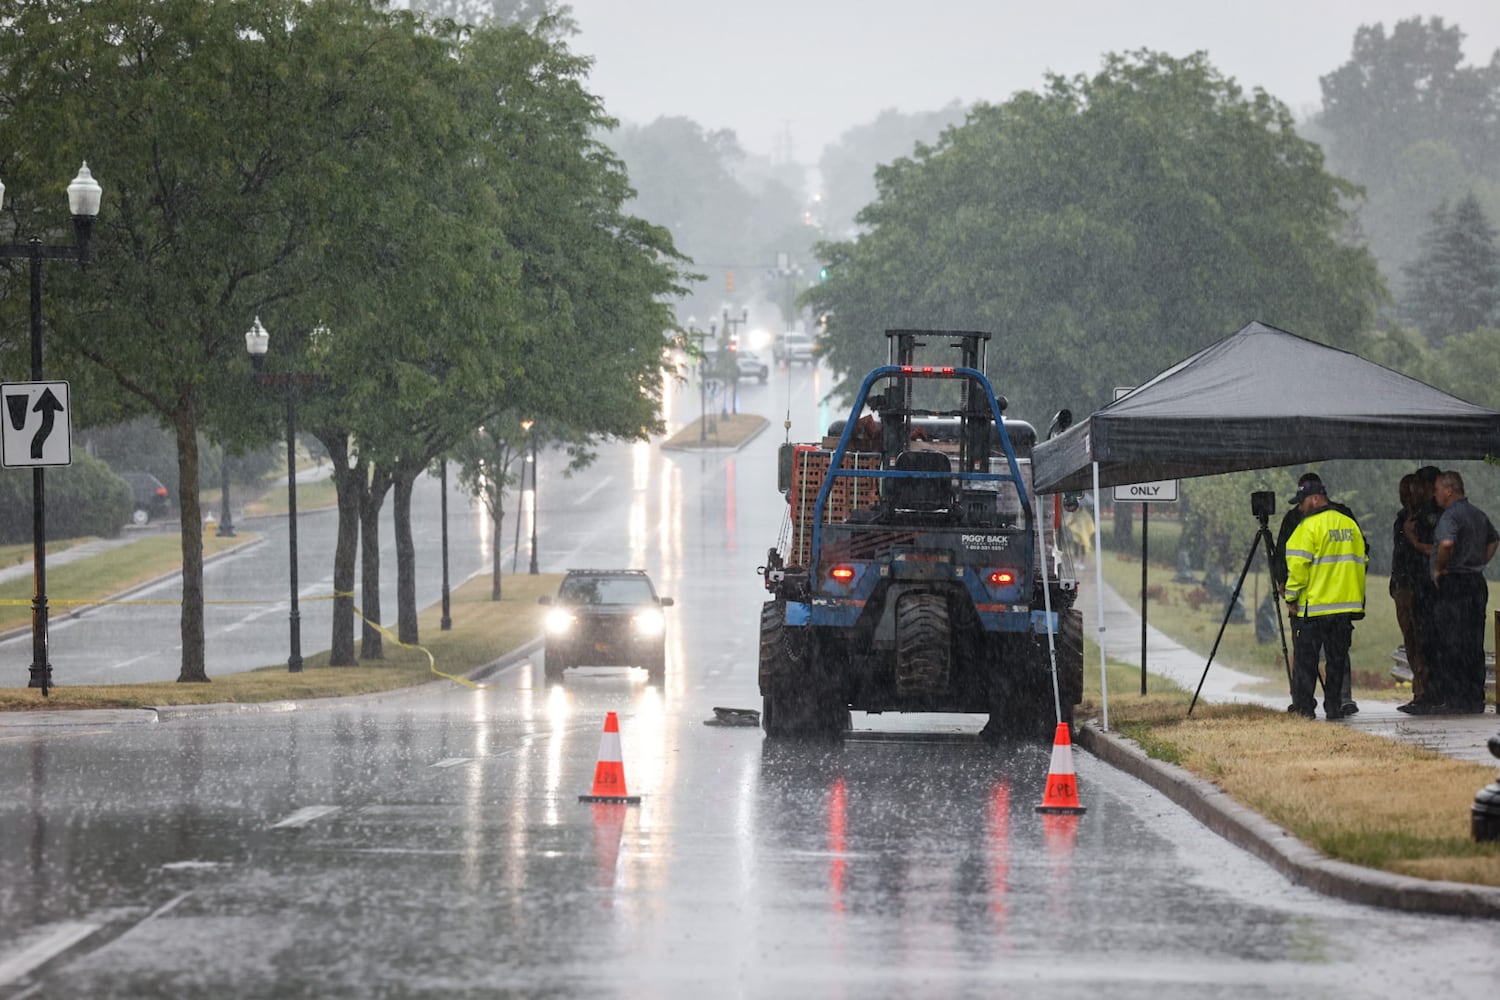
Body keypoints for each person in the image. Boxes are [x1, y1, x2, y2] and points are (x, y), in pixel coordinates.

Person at [1273, 472, 1362, 715]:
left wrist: (1290, 597)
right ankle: (1334, 706)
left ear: (1313, 499)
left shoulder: (1308, 526)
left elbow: (1297, 569)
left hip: (1314, 607)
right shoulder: (1349, 524)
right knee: (1337, 661)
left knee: (1306, 662)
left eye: (1301, 502)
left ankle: (1304, 708)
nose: (1300, 509)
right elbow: (1362, 560)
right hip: (1343, 608)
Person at [1428, 471, 1498, 714]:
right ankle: (1474, 697)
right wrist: (1479, 561)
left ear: (1449, 490)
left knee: (1450, 641)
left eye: (1437, 489)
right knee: (1473, 640)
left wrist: (1440, 568)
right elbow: (1493, 540)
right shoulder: (1478, 514)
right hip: (1475, 583)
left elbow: (1447, 543)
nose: (1435, 494)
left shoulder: (1450, 516)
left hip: (1454, 582)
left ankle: (1454, 698)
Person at [1401, 466, 1445, 714]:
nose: (1411, 491)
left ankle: (1430, 693)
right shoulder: (1411, 515)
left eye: (1416, 486)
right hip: (1415, 583)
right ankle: (1424, 691)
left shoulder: (1430, 515)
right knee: (1417, 640)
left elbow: (1433, 549)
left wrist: (1413, 540)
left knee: (1427, 641)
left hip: (1425, 585)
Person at [1389, 474, 1431, 712]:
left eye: (1411, 491)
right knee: (1410, 638)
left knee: (1420, 637)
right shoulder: (1402, 518)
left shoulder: (1421, 518)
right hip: (1403, 583)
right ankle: (1419, 687)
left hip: (1417, 584)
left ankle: (1424, 689)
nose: (1406, 496)